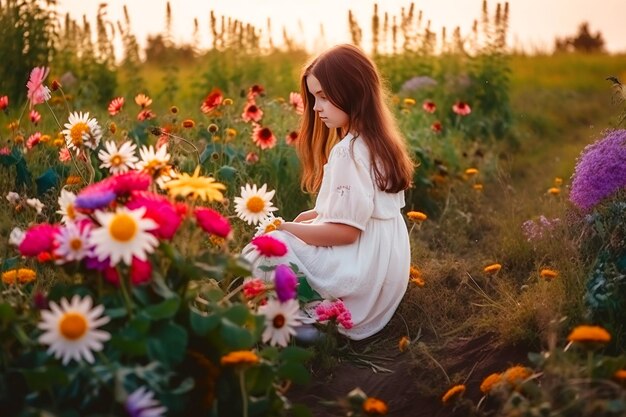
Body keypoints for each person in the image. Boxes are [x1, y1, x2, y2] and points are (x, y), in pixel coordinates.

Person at [244, 44, 415, 340]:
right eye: (313, 97)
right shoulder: (380, 143)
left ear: (352, 92)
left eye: (322, 97)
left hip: (360, 274)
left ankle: (304, 321)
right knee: (291, 232)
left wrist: (287, 227)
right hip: (386, 268)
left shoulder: (348, 151)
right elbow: (359, 210)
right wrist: (306, 219)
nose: (315, 107)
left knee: (263, 251)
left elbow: (346, 232)